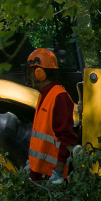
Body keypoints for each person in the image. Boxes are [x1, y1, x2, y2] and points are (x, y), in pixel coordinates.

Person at [26, 48, 78, 185]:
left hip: (50, 174)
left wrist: (58, 172)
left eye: (31, 71)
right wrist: (31, 164)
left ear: (40, 72)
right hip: (39, 172)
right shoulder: (43, 95)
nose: (30, 76)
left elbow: (67, 138)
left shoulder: (59, 96)